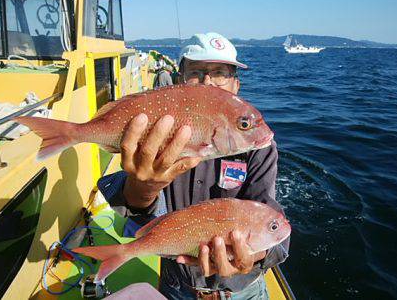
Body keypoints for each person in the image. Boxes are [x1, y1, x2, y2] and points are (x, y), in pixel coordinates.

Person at [99, 32, 289, 299]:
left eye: (220, 73)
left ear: (236, 86)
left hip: (243, 291)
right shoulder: (160, 134)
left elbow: (267, 215)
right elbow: (141, 218)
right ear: (179, 83)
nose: (208, 82)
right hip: (177, 286)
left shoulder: (257, 145)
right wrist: (144, 187)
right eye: (196, 73)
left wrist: (257, 254)